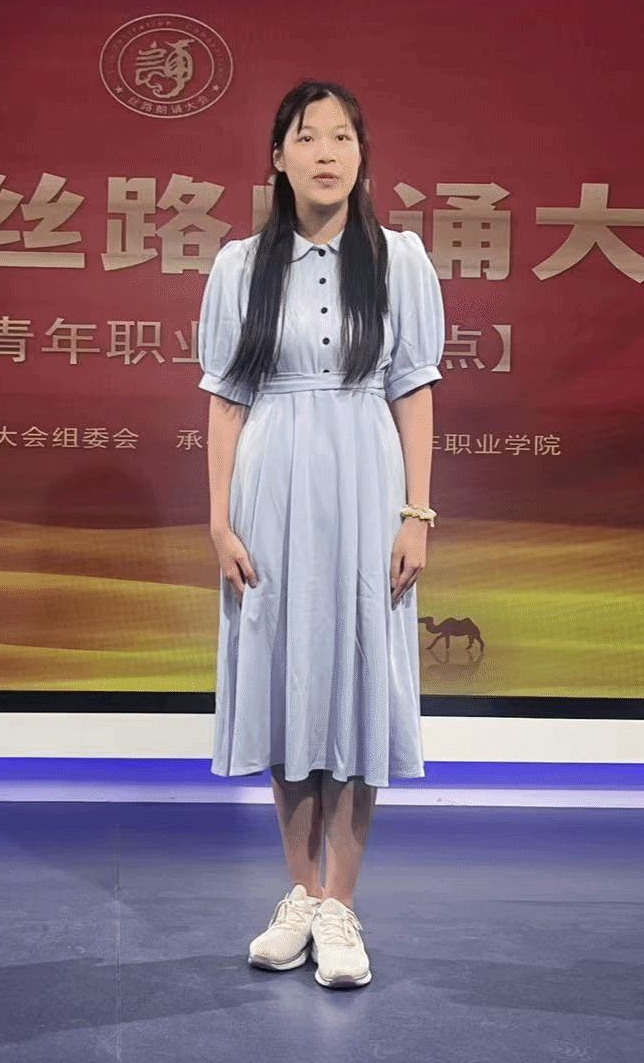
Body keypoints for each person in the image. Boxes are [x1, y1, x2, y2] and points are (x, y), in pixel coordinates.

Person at [196, 80, 444, 989]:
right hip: (272, 484)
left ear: (362, 155)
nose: (327, 153)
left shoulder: (399, 258)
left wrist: (417, 513)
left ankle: (341, 906)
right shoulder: (240, 266)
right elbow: (226, 400)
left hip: (369, 481)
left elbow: (413, 388)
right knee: (286, 682)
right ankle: (299, 896)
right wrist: (219, 518)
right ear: (279, 158)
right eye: (308, 138)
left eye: (342, 136)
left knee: (359, 683)